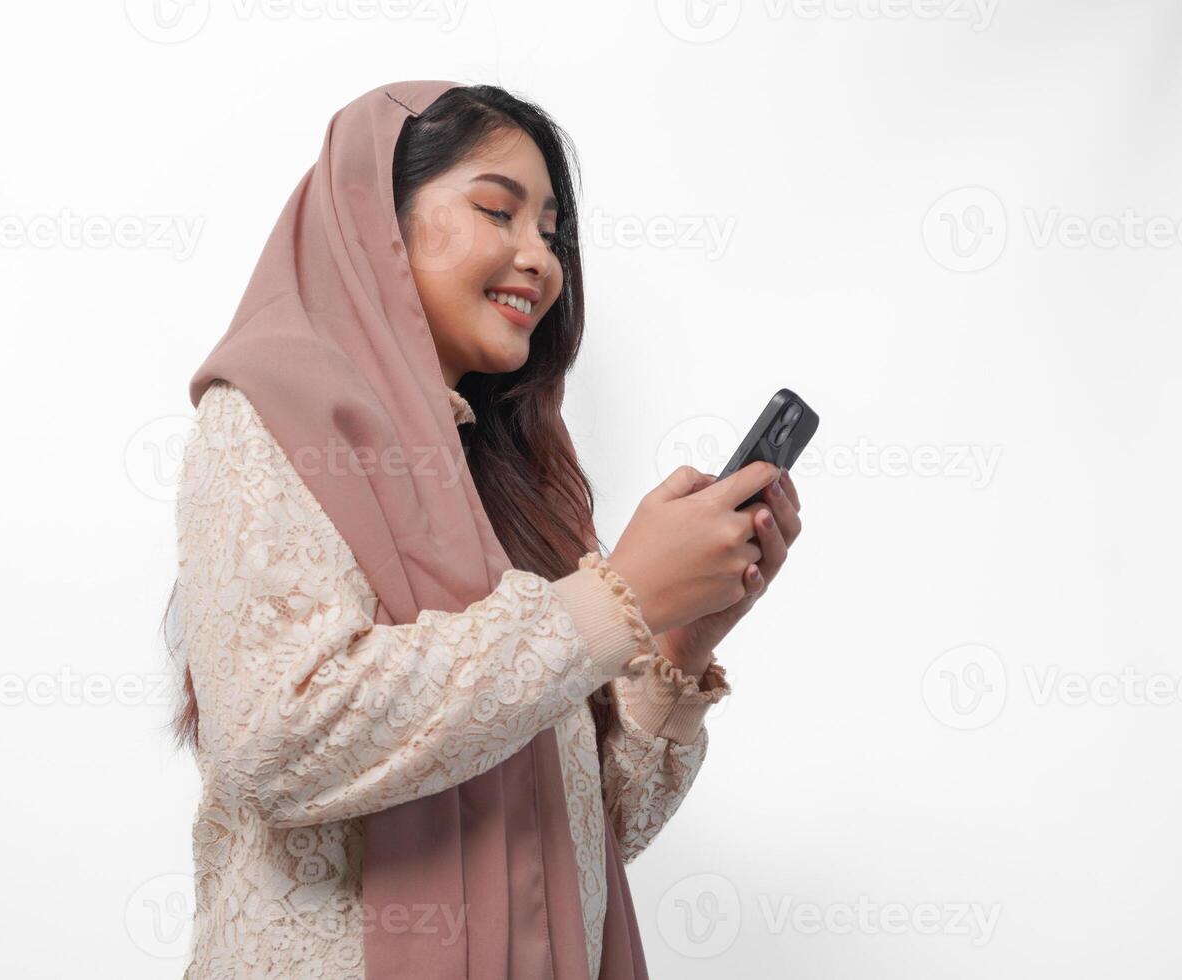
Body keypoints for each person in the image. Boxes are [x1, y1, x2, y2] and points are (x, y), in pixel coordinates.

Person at [163, 79, 803, 980]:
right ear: (373, 224)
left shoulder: (514, 476)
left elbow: (594, 831)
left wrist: (680, 638)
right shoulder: (271, 412)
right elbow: (276, 742)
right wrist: (613, 600)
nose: (538, 258)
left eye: (551, 233)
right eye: (497, 211)